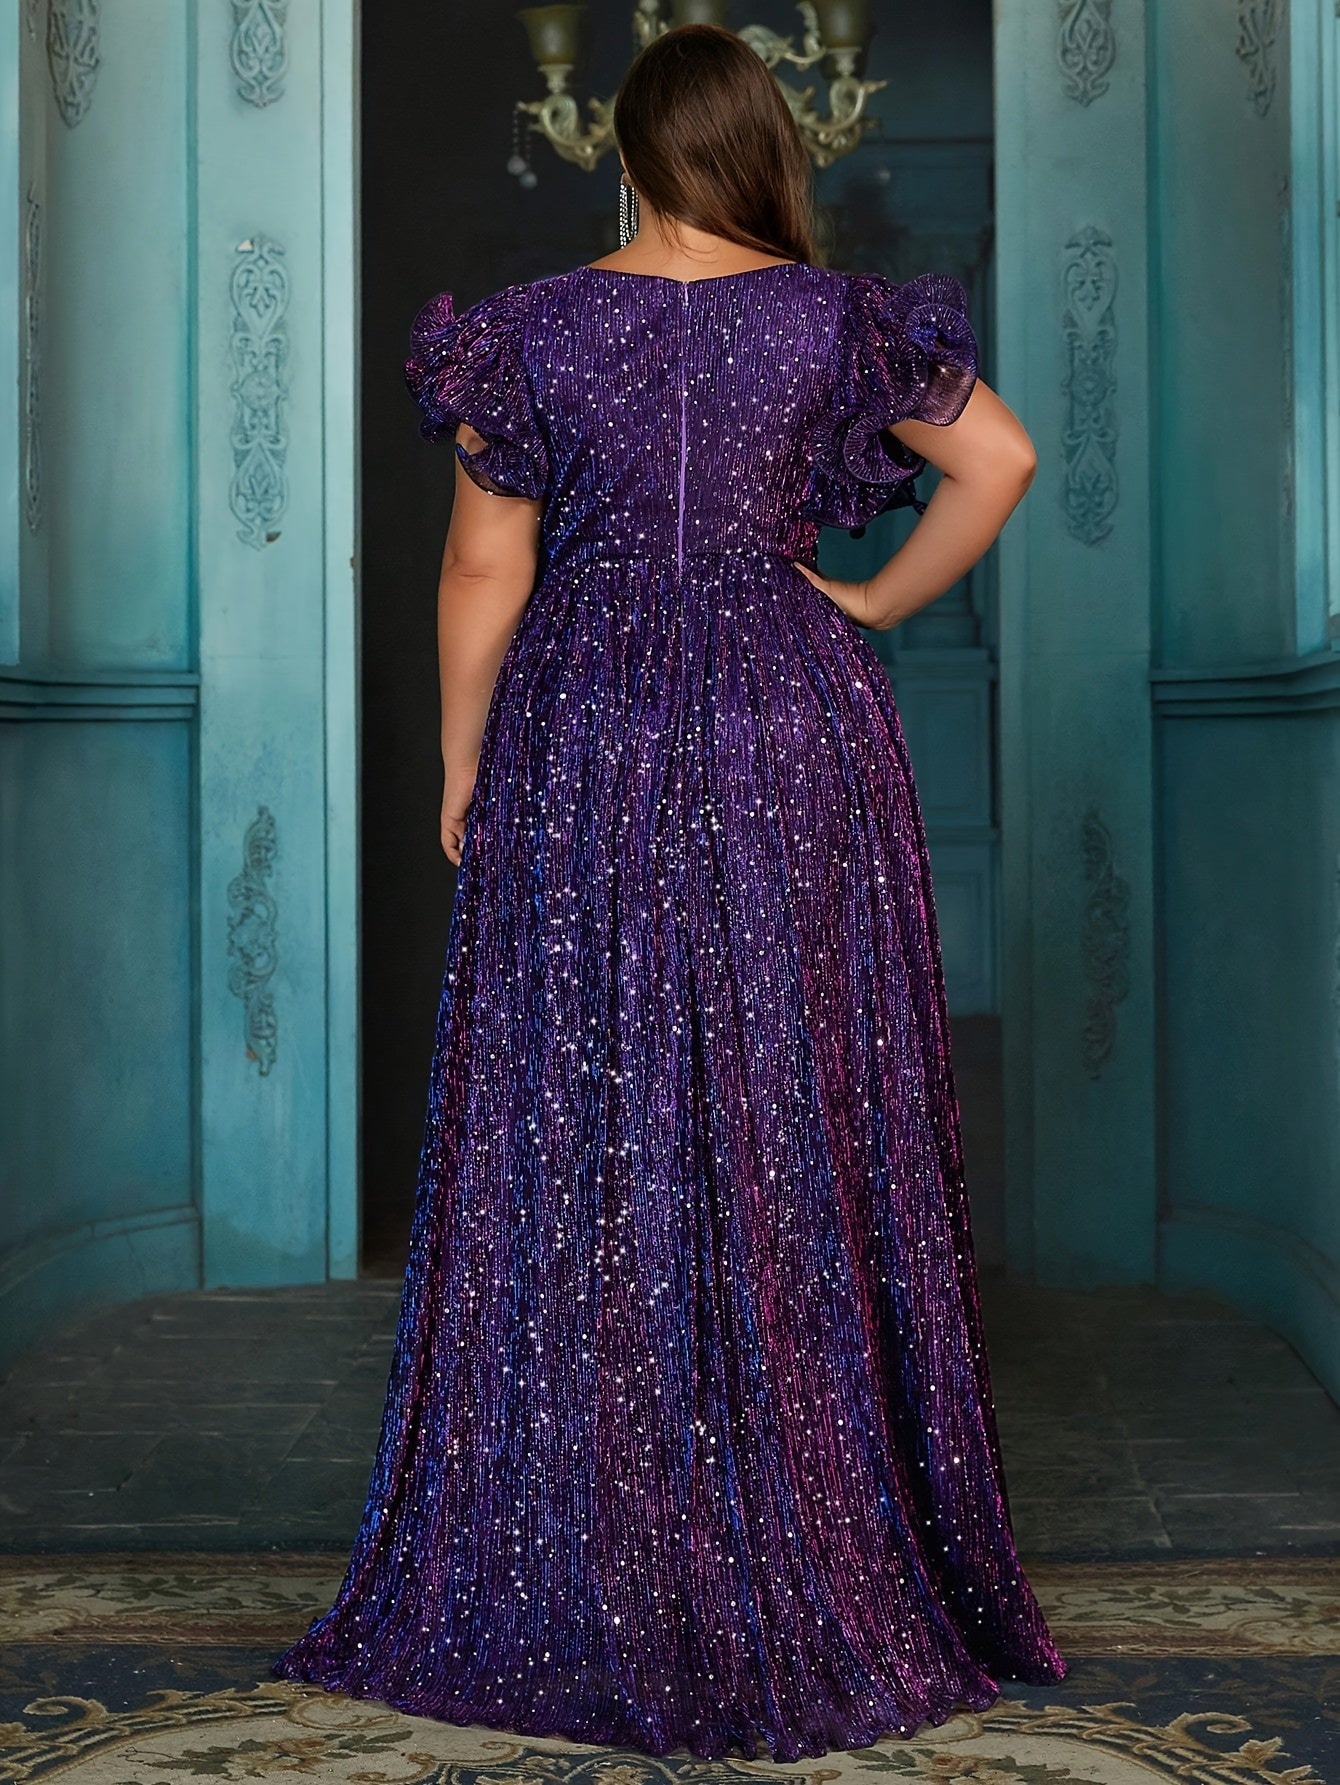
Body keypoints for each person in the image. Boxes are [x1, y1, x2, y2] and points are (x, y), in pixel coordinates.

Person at [275, 21, 1068, 1762]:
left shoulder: (530, 329)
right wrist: (876, 603)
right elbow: (1001, 461)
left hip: (591, 719)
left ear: (625, 157)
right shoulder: (838, 322)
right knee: (788, 1101)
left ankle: (602, 1540)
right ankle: (810, 1529)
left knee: (596, 1110)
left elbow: (483, 561)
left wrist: (462, 759)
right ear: (766, 147)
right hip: (793, 717)